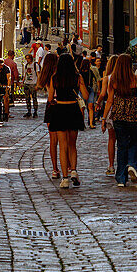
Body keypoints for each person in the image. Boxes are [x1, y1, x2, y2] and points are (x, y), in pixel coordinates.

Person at [46, 53, 89, 189]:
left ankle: (65, 178)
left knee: (62, 146)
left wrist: (54, 100)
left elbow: (50, 98)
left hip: (60, 110)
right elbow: (86, 95)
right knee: (72, 144)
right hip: (73, 109)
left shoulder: (55, 78)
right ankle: (74, 171)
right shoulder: (77, 77)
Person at [104, 53, 137, 187]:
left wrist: (104, 118)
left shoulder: (114, 80)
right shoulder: (136, 79)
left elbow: (110, 100)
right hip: (133, 114)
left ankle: (121, 178)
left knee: (121, 145)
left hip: (118, 115)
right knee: (135, 141)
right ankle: (132, 164)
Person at [37, 51, 60, 179]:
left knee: (53, 141)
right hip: (59, 103)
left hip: (50, 107)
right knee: (63, 139)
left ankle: (55, 168)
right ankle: (67, 166)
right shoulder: (57, 76)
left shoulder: (45, 76)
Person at [96, 54, 118, 174]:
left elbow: (103, 94)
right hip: (123, 109)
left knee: (111, 138)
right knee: (123, 139)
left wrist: (98, 102)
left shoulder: (107, 78)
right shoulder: (124, 77)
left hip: (111, 109)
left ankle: (111, 165)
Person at [22, 53, 38, 118]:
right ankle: (29, 111)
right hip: (27, 83)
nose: (27, 60)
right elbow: (25, 74)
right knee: (27, 98)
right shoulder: (26, 65)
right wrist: (23, 82)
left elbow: (38, 73)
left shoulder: (35, 65)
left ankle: (35, 111)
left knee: (34, 97)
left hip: (33, 83)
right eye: (26, 59)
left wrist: (38, 83)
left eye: (28, 58)